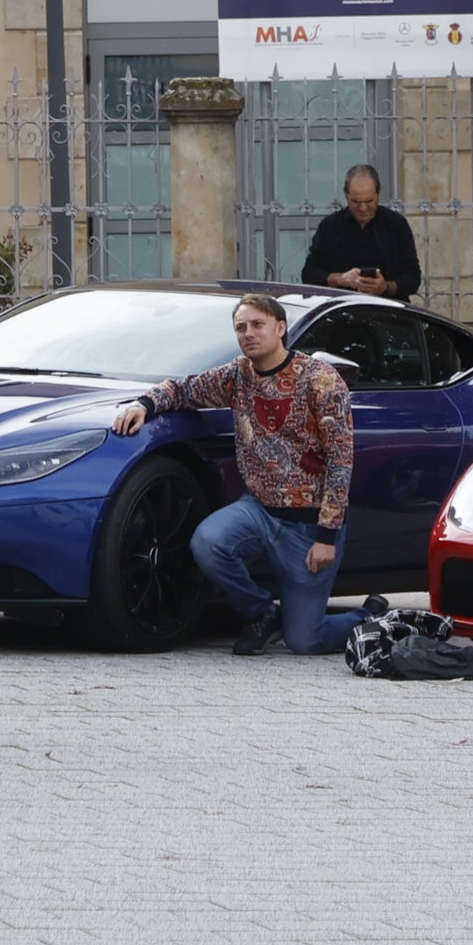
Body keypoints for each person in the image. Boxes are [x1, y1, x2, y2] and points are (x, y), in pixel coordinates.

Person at [107, 294, 373, 656]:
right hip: (258, 512)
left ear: (280, 329)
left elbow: (341, 460)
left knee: (305, 641)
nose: (248, 334)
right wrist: (144, 404)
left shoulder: (320, 380)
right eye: (241, 328)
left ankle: (366, 619)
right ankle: (262, 613)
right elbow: (184, 389)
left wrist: (327, 535)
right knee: (207, 541)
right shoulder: (238, 375)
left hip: (308, 528)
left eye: (257, 325)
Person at [299, 163, 419, 300]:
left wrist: (386, 287)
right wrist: (339, 279)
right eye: (355, 202)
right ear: (346, 194)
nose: (363, 208)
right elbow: (308, 274)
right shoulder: (330, 226)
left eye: (369, 201)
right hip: (342, 311)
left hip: (389, 312)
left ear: (379, 193)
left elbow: (413, 277)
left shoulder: (397, 225)